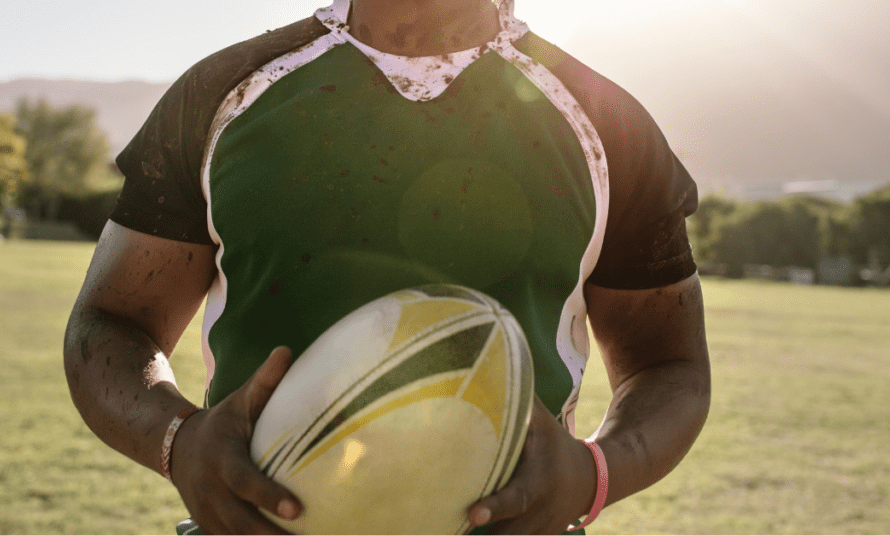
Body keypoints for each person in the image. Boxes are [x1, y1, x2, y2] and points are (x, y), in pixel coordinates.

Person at [63, 0, 711, 533]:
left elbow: (668, 365)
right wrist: (181, 442)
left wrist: (590, 474)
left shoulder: (607, 124)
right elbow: (113, 323)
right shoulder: (222, 95)